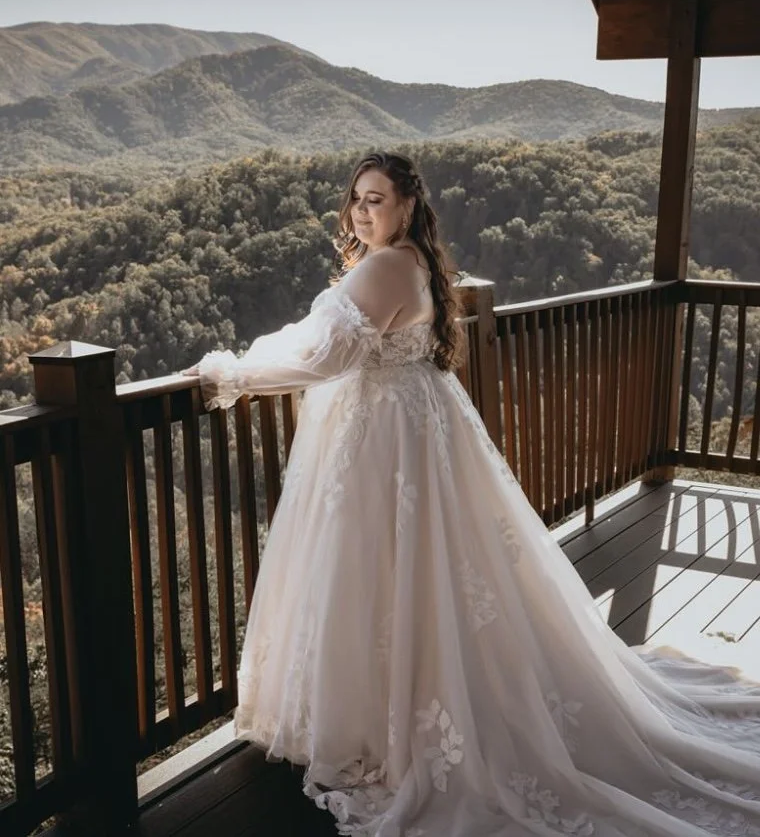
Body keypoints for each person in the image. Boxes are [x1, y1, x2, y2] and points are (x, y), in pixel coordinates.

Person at [182, 152, 760, 836]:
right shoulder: (412, 263)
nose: (363, 212)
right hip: (406, 430)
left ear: (407, 206)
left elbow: (327, 357)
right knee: (414, 574)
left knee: (383, 572)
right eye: (357, 200)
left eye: (377, 200)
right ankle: (402, 700)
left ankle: (386, 717)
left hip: (385, 443)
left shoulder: (388, 265)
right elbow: (328, 341)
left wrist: (234, 374)